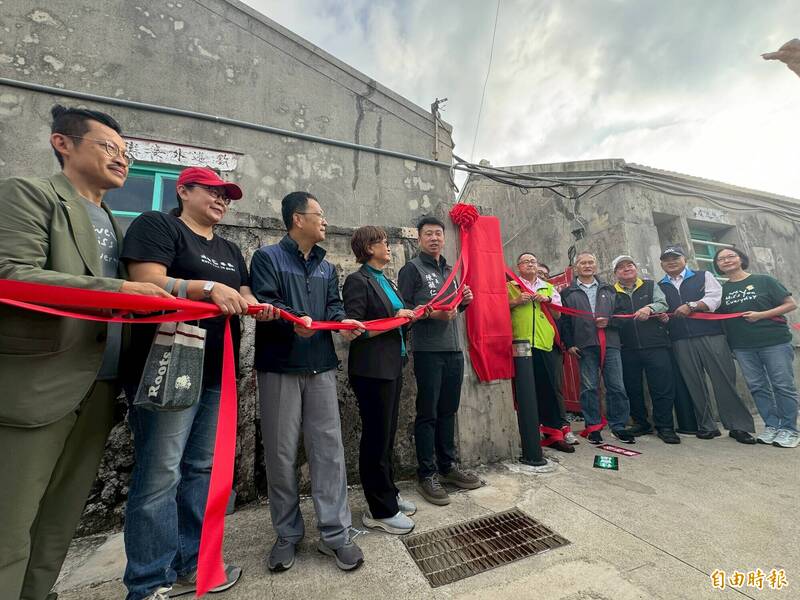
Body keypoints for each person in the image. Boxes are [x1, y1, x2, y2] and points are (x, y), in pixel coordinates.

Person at [0, 105, 170, 600]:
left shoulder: (115, 223)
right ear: (63, 144)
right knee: (10, 522)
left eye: (126, 152)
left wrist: (194, 295)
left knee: (60, 519)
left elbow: (138, 292)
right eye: (109, 147)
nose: (122, 160)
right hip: (41, 384)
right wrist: (118, 291)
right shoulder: (30, 195)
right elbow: (11, 274)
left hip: (100, 385)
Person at [120, 167, 276, 600]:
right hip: (167, 364)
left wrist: (257, 307)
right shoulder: (158, 226)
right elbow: (144, 281)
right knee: (160, 473)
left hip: (215, 370)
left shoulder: (228, 247)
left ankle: (192, 565)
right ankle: (149, 582)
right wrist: (205, 287)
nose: (222, 199)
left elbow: (243, 293)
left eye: (227, 195)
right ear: (183, 190)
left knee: (200, 471)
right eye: (213, 190)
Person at [250, 192, 365, 573]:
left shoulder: (326, 267)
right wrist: (293, 322)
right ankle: (287, 534)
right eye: (320, 215)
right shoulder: (267, 258)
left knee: (328, 451)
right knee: (281, 455)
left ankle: (335, 534)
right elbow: (265, 303)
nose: (325, 222)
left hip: (320, 366)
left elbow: (333, 307)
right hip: (280, 367)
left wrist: (343, 322)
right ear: (298, 219)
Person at [342, 226, 427, 534]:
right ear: (367, 248)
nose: (388, 247)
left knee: (387, 435)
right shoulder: (357, 280)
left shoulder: (386, 279)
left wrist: (408, 318)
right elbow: (357, 328)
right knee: (376, 438)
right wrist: (397, 321)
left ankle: (388, 494)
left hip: (392, 365)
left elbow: (396, 319)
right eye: (381, 242)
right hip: (371, 370)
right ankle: (379, 510)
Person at [398, 216, 479, 506]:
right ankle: (426, 474)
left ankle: (447, 467)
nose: (434, 238)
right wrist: (433, 313)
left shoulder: (449, 269)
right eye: (428, 234)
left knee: (448, 410)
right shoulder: (411, 269)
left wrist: (465, 299)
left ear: (444, 239)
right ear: (419, 239)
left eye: (438, 234)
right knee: (428, 413)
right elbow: (403, 310)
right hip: (428, 351)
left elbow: (454, 307)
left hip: (454, 350)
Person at [657, 245, 756, 444]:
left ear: (684, 259)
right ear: (662, 264)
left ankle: (738, 426)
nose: (671, 261)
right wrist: (662, 318)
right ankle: (707, 426)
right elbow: (663, 308)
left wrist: (692, 305)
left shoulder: (703, 275)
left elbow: (716, 298)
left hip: (711, 335)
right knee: (694, 384)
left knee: (724, 381)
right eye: (667, 259)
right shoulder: (660, 285)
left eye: (675, 257)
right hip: (680, 339)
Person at [714, 247, 799, 448]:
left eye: (730, 256)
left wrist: (761, 315)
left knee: (782, 385)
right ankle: (771, 426)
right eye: (721, 259)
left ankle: (789, 429)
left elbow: (790, 304)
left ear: (741, 259)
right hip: (743, 347)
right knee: (758, 387)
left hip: (774, 342)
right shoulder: (722, 290)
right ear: (717, 266)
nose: (726, 261)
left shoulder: (763, 280)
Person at [560, 251, 635, 445]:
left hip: (610, 344)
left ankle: (619, 426)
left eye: (590, 262)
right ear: (576, 267)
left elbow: (623, 316)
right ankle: (593, 427)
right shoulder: (567, 292)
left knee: (616, 386)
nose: (587, 266)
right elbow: (565, 322)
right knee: (589, 387)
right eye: (583, 263)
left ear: (596, 265)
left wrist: (609, 322)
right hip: (585, 345)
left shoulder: (609, 289)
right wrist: (569, 344)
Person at [508, 253, 574, 452]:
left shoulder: (550, 288)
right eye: (526, 261)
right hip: (520, 344)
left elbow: (558, 313)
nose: (530, 264)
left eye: (533, 261)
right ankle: (528, 432)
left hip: (545, 343)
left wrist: (546, 299)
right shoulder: (511, 287)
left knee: (550, 389)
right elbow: (498, 308)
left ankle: (553, 433)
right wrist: (517, 300)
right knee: (525, 390)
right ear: (518, 266)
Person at [611, 255, 680, 444]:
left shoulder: (650, 286)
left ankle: (665, 426)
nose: (627, 269)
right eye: (621, 267)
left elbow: (663, 303)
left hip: (656, 344)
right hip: (627, 348)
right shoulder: (611, 292)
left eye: (630, 265)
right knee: (632, 388)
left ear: (635, 268)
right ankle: (640, 423)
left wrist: (649, 308)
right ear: (616, 273)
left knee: (662, 387)